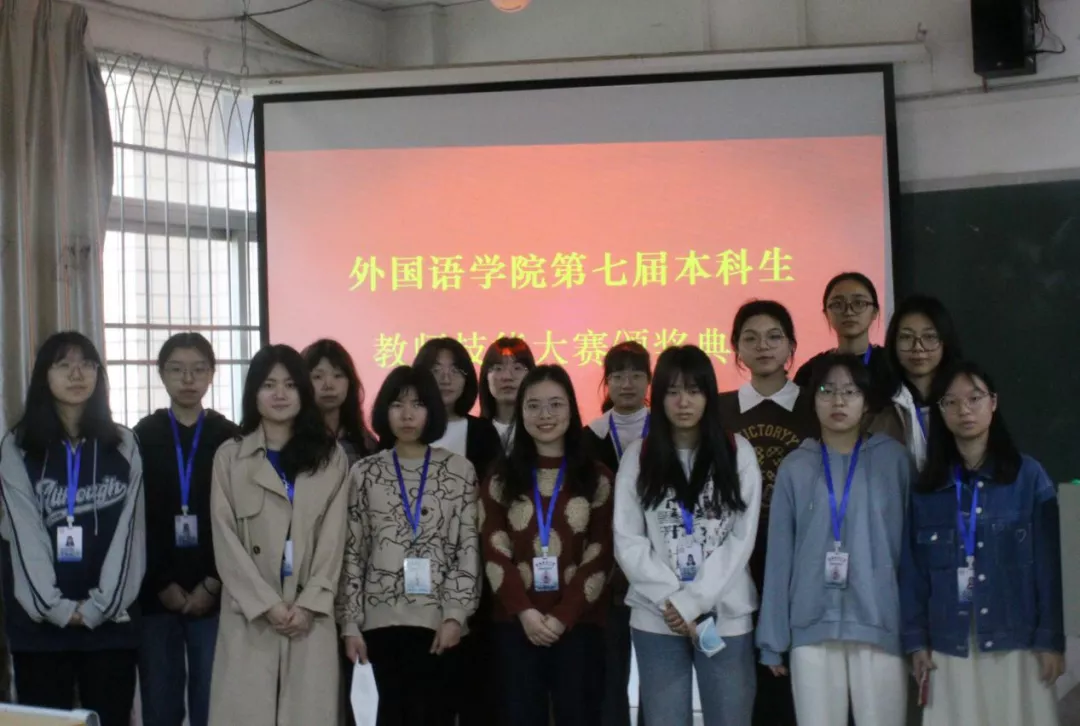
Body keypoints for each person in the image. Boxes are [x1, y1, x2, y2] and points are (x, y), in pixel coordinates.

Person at [900, 361, 1064, 726]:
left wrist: (1051, 639)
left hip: (1017, 639)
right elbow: (913, 574)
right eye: (952, 401)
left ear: (993, 402)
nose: (964, 410)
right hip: (950, 642)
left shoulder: (1028, 477)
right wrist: (916, 641)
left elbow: (1050, 567)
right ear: (941, 411)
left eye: (974, 398)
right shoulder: (928, 489)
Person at [757, 353, 914, 726]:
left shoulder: (893, 461)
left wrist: (916, 634)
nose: (838, 401)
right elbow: (779, 557)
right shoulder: (796, 466)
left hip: (881, 624)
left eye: (850, 391)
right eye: (827, 391)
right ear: (812, 400)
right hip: (812, 627)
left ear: (866, 401)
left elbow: (911, 552)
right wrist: (773, 639)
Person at [0, 332, 145, 726]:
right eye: (63, 365)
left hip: (110, 626)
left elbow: (130, 537)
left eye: (87, 365)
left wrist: (100, 607)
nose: (77, 374)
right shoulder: (17, 446)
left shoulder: (124, 444)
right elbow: (23, 535)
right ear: (43, 376)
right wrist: (57, 608)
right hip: (39, 629)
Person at [614, 345, 763, 726]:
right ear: (658, 396)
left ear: (709, 395)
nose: (683, 402)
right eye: (673, 391)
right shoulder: (638, 456)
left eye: (694, 391)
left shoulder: (737, 452)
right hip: (657, 615)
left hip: (725, 614)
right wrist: (673, 601)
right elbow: (628, 540)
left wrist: (692, 601)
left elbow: (741, 539)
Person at [208, 344, 349, 725]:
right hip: (251, 614)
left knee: (308, 714)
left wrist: (309, 603)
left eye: (290, 385)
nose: (280, 394)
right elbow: (225, 540)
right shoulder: (230, 457)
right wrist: (266, 604)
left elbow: (334, 538)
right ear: (253, 393)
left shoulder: (330, 456)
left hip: (310, 614)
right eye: (269, 385)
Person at [336, 365, 481, 726]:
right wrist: (350, 624)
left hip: (439, 624)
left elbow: (467, 548)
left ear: (432, 411)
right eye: (397, 404)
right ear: (384, 411)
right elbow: (353, 552)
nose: (407, 414)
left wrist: (455, 615)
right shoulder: (365, 472)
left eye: (418, 404)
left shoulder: (459, 471)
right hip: (378, 624)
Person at [481, 365, 614, 726]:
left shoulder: (597, 477)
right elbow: (494, 548)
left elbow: (601, 553)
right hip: (516, 624)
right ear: (520, 411)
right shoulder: (500, 477)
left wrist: (562, 617)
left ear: (571, 409)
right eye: (533, 405)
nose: (545, 415)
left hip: (579, 624)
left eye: (555, 404)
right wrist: (525, 613)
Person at [717, 300, 817, 725]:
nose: (763, 346)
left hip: (800, 556)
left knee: (796, 673)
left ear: (792, 345)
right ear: (736, 347)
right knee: (744, 678)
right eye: (751, 338)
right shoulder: (719, 410)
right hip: (735, 558)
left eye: (774, 336)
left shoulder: (815, 406)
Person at [134, 333, 239, 726]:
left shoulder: (230, 436)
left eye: (198, 369)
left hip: (215, 590)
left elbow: (236, 517)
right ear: (161, 374)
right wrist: (161, 582)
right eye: (177, 369)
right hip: (155, 592)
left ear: (212, 374)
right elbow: (137, 517)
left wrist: (212, 582)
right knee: (160, 703)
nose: (188, 379)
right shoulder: (142, 435)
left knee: (212, 701)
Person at [413, 337, 503, 726]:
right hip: (414, 585)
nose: (446, 378)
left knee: (475, 692)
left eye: (456, 370)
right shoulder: (405, 429)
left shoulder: (482, 433)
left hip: (474, 579)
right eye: (436, 369)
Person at [582, 341, 651, 726]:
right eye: (618, 375)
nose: (627, 383)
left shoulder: (667, 432)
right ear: (606, 382)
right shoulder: (589, 437)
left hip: (657, 568)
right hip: (606, 573)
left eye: (636, 374)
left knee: (657, 674)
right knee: (610, 674)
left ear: (649, 381)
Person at [872, 295, 963, 470]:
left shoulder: (964, 401)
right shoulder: (878, 406)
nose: (918, 347)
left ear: (945, 341)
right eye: (906, 337)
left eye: (929, 337)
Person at [793, 272, 894, 408]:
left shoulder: (892, 365)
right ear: (826, 314)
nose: (848, 312)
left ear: (874, 312)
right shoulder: (811, 371)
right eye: (838, 304)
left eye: (859, 303)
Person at [302, 339, 377, 466]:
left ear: (350, 383)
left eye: (338, 375)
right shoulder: (292, 440)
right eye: (317, 377)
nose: (328, 385)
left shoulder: (364, 442)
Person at [478, 337, 536, 449]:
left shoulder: (541, 430)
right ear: (486, 377)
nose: (507, 377)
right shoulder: (473, 433)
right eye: (498, 368)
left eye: (517, 368)